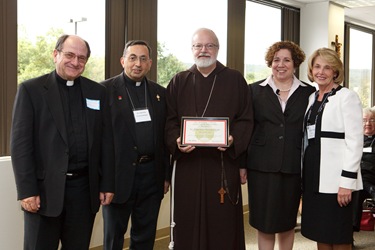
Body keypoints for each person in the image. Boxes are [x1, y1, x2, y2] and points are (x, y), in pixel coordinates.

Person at [10, 34, 115, 250]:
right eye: (69, 55)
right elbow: (20, 145)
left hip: (84, 193)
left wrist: (106, 183)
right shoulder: (31, 90)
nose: (75, 62)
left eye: (82, 58)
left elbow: (106, 142)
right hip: (44, 192)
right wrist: (27, 190)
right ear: (55, 55)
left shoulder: (98, 92)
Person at [164, 27, 253, 250]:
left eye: (209, 45)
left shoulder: (234, 79)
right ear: (192, 49)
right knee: (187, 219)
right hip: (188, 166)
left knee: (222, 223)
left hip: (222, 164)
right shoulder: (178, 81)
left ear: (217, 48)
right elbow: (169, 120)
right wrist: (176, 141)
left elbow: (246, 119)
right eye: (198, 46)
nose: (204, 50)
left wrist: (232, 139)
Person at [100, 40, 170, 250]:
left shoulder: (160, 94)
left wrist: (165, 175)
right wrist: (104, 181)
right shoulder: (105, 91)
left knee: (145, 235)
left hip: (151, 176)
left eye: (142, 59)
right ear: (123, 61)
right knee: (113, 237)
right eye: (132, 58)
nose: (137, 64)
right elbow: (99, 140)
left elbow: (165, 139)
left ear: (150, 63)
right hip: (118, 177)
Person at [246, 41, 315, 250]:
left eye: (287, 60)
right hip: (260, 167)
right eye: (276, 60)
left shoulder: (308, 93)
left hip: (292, 167)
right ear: (270, 63)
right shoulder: (254, 91)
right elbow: (246, 130)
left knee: (286, 223)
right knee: (264, 224)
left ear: (295, 63)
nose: (281, 64)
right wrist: (241, 164)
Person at [301, 47, 363, 250]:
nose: (321, 71)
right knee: (321, 231)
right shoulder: (312, 98)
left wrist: (346, 182)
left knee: (338, 234)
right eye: (317, 66)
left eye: (327, 67)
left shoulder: (347, 96)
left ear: (335, 71)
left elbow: (355, 142)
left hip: (336, 180)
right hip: (314, 177)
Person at [353, 107, 375, 232]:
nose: (368, 123)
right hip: (358, 178)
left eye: (372, 120)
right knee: (355, 189)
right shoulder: (354, 140)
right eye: (364, 120)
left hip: (373, 175)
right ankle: (349, 233)